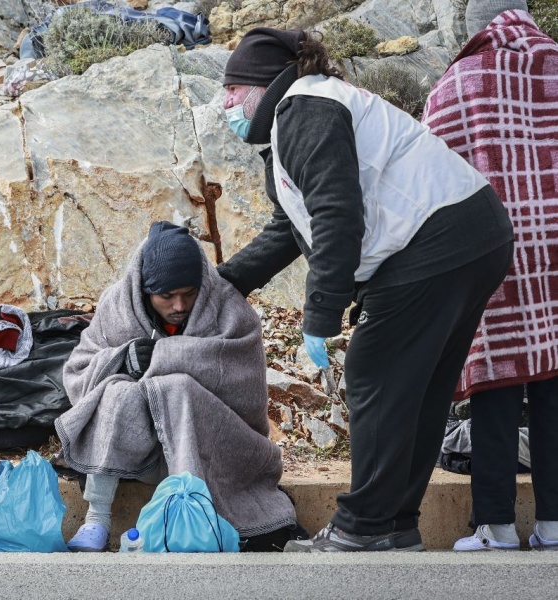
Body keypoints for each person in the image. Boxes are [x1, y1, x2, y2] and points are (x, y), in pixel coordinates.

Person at [217, 27, 515, 552]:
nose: (225, 103)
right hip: (472, 236)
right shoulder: (303, 114)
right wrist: (225, 284)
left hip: (436, 242)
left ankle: (364, 526)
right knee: (415, 391)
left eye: (233, 90)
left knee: (373, 374)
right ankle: (393, 523)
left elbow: (337, 216)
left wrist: (320, 314)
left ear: (264, 84)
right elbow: (291, 228)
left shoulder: (307, 107)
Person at [55, 221, 303, 552]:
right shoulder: (117, 306)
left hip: (213, 453)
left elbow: (244, 393)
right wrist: (122, 359)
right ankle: (96, 519)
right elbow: (78, 372)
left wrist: (161, 359)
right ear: (144, 290)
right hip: (137, 455)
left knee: (177, 387)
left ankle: (193, 514)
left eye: (189, 294)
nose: (179, 307)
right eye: (166, 296)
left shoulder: (229, 310)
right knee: (116, 388)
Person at [422, 0, 558, 552]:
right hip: (555, 252)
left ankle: (496, 525)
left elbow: (429, 157)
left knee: (497, 385)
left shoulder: (465, 77)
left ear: (478, 23)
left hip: (497, 250)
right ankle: (553, 525)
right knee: (553, 384)